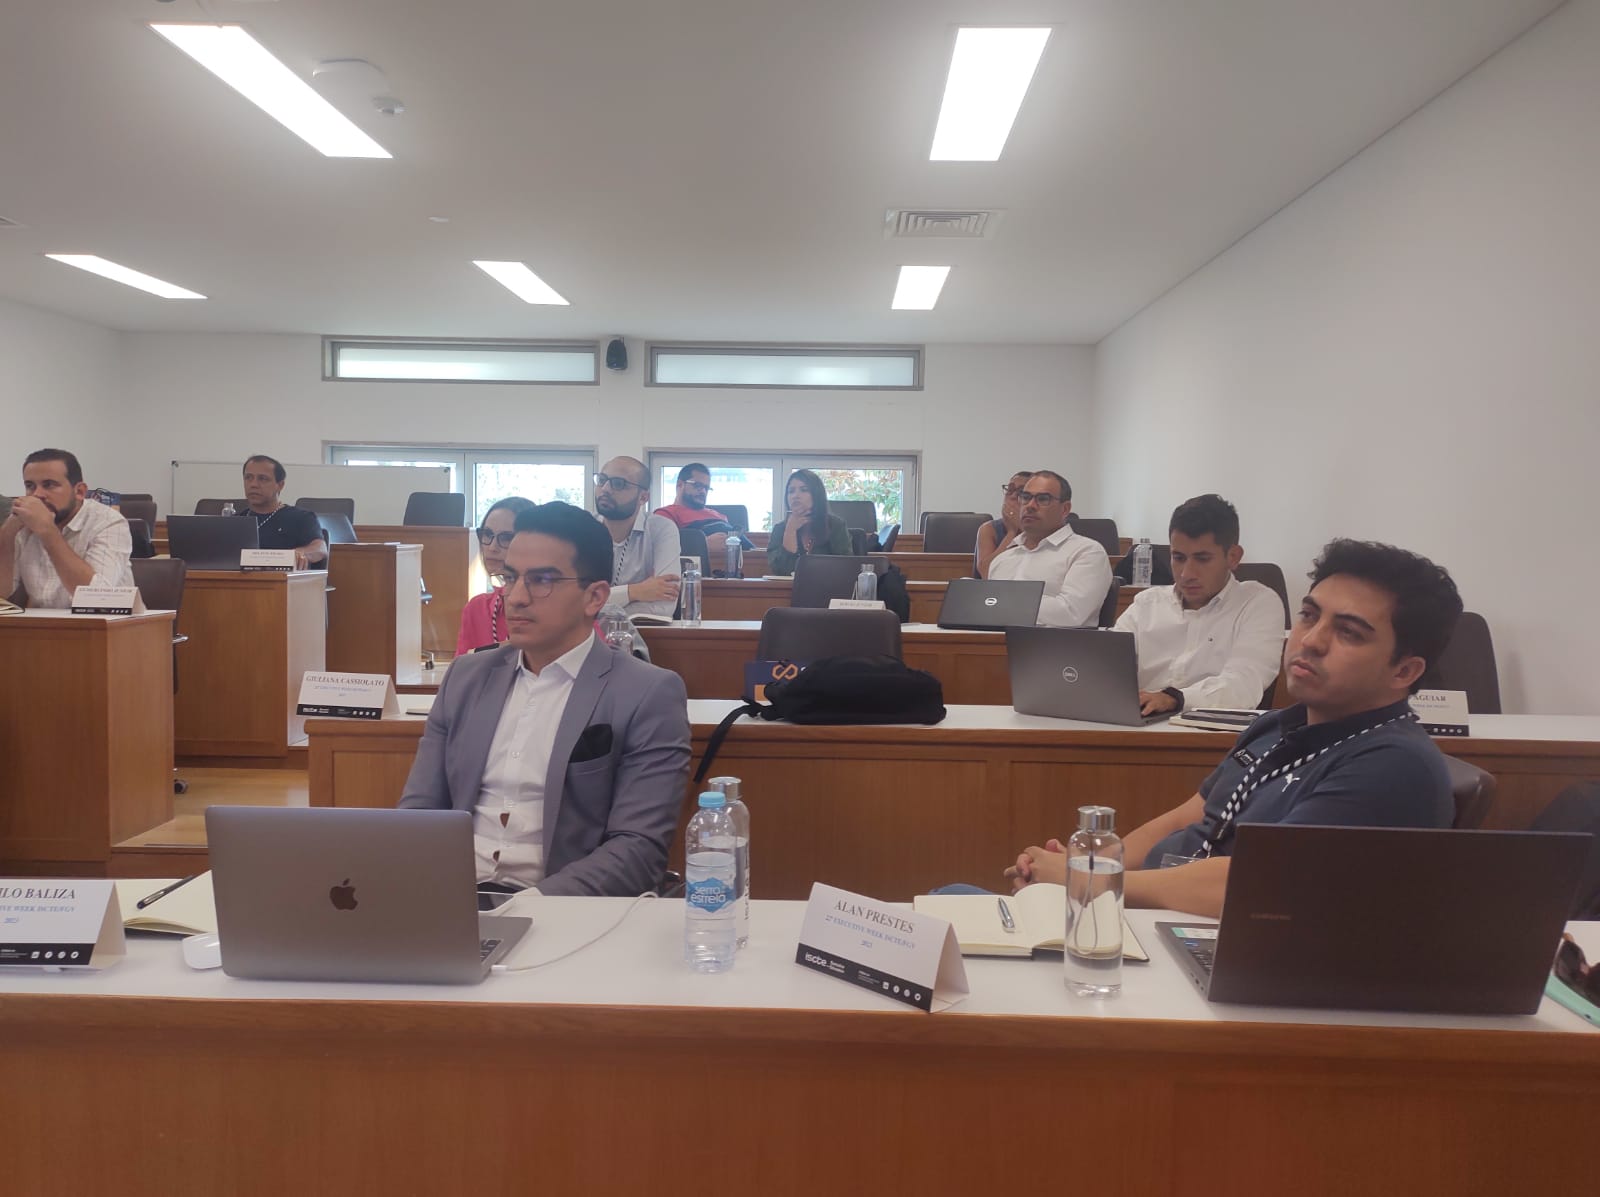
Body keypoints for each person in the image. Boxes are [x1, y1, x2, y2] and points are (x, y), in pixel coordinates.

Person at [1006, 539, 1463, 918]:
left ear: (1405, 671)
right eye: (1309, 615)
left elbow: (1258, 883)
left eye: (1349, 633)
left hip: (1226, 956)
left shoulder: (1392, 765)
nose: (1310, 640)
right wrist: (1096, 861)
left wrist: (1089, 882)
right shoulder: (1277, 725)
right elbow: (1189, 817)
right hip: (1155, 918)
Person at [399, 501, 691, 897]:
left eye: (541, 581)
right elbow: (418, 814)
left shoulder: (646, 693)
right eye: (510, 577)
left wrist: (529, 908)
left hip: (563, 909)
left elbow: (638, 849)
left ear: (595, 597)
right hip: (454, 901)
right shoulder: (466, 678)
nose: (516, 597)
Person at [1113, 494, 1286, 716]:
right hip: (1139, 724)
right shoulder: (1147, 604)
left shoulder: (1258, 604)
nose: (1187, 574)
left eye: (1202, 559)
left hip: (1212, 732)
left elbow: (1243, 683)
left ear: (1233, 556)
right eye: (1178, 558)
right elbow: (1107, 664)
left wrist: (1174, 699)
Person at [1, 448, 133, 608]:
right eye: (30, 486)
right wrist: (8, 532)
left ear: (79, 491)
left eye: (49, 485)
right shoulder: (24, 525)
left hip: (103, 621)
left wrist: (48, 531)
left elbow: (97, 598)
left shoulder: (109, 522)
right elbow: (2, 592)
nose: (37, 495)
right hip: (41, 622)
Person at [986, 470, 1111, 628]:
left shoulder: (1086, 552)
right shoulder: (1002, 559)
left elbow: (1071, 613)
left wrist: (1006, 604)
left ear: (1065, 509)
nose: (1030, 506)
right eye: (1025, 497)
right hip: (995, 642)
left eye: (1043, 499)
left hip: (1056, 643)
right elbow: (989, 612)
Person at [594, 456, 681, 619]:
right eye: (602, 480)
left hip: (644, 632)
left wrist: (595, 608)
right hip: (586, 633)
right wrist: (634, 592)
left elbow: (664, 607)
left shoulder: (661, 529)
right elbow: (573, 602)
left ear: (643, 497)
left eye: (618, 483)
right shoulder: (584, 528)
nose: (605, 489)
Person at [457, 496, 538, 655]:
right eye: (488, 534)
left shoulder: (551, 605)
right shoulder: (477, 608)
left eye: (506, 538)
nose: (492, 547)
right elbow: (462, 669)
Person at [236, 455, 327, 569]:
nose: (253, 484)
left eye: (262, 479)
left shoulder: (301, 518)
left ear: (280, 485)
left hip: (282, 578)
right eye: (248, 477)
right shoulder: (236, 521)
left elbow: (320, 548)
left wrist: (300, 553)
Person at [653, 463, 747, 562]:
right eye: (697, 485)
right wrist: (704, 544)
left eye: (706, 488)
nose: (703, 491)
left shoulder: (718, 515)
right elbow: (660, 549)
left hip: (739, 560)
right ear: (680, 485)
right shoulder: (665, 514)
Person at [766, 468, 851, 577]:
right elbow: (781, 571)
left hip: (828, 586)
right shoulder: (780, 529)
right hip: (790, 588)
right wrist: (790, 531)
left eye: (804, 490)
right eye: (791, 491)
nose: (795, 495)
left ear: (817, 495)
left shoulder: (836, 525)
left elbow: (844, 567)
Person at [975, 470, 1033, 578]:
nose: (1013, 496)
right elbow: (986, 573)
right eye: (1010, 490)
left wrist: (1022, 529)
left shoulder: (1040, 529)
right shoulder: (988, 529)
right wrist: (1012, 532)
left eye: (1021, 491)